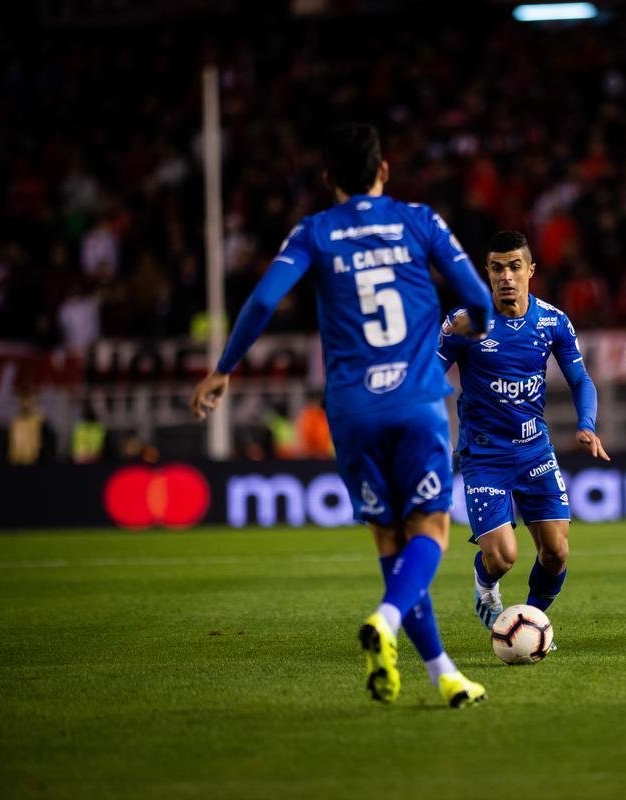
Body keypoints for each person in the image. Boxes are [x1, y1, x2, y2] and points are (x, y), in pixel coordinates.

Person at [190, 123, 494, 708]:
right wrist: (476, 328)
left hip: (352, 408)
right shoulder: (419, 220)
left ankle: (442, 673)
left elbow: (261, 300)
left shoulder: (314, 231)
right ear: (385, 170)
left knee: (388, 537)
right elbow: (477, 301)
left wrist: (225, 368)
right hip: (415, 401)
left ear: (328, 178)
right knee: (430, 531)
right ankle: (385, 618)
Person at [438, 230, 610, 632]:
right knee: (502, 558)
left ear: (531, 270)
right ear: (487, 272)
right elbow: (428, 379)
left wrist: (586, 425)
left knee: (556, 553)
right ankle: (485, 585)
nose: (506, 276)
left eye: (515, 267)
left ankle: (530, 623)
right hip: (484, 457)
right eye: (497, 268)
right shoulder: (463, 324)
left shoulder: (553, 321)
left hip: (535, 452)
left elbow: (581, 380)